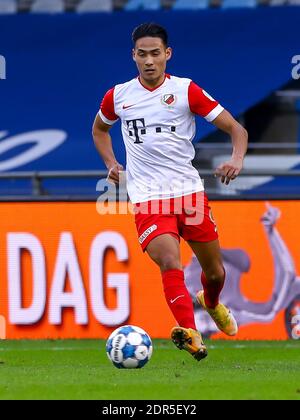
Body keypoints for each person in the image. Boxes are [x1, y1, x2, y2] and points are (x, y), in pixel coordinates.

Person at [92, 22, 248, 361]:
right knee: (169, 261)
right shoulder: (118, 96)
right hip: (148, 198)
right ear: (134, 56)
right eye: (142, 54)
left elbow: (236, 129)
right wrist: (111, 163)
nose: (149, 61)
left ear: (167, 54)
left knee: (215, 272)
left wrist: (236, 159)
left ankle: (212, 301)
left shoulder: (185, 91)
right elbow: (99, 130)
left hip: (189, 194)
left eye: (155, 54)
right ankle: (191, 333)